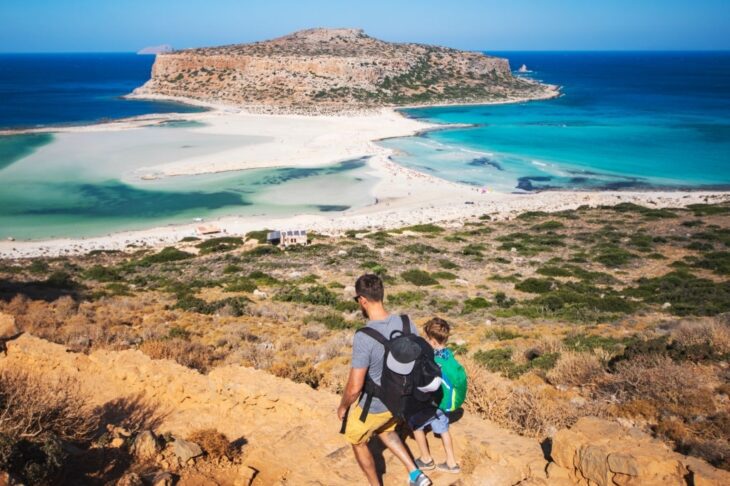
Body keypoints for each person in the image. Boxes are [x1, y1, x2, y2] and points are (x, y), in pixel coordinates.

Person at [337, 274, 432, 486]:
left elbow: (354, 387)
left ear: (362, 300)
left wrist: (343, 406)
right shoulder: (406, 323)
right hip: (404, 400)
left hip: (377, 405)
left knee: (356, 439)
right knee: (386, 430)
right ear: (381, 294)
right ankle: (416, 475)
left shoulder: (364, 336)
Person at [409, 318, 461, 474]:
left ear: (432, 341)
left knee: (415, 424)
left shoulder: (430, 358)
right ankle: (451, 463)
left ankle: (426, 459)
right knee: (444, 429)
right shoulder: (448, 354)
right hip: (444, 402)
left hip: (432, 403)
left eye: (427, 338)